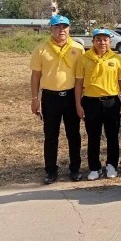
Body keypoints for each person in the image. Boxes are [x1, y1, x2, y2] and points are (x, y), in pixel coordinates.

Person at [30, 14, 85, 184]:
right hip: (50, 97)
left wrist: (80, 100)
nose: (61, 30)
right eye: (57, 27)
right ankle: (51, 170)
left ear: (69, 28)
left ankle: (75, 168)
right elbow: (35, 75)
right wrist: (34, 98)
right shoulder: (41, 49)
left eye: (64, 27)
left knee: (73, 134)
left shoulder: (78, 48)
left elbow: (82, 76)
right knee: (51, 135)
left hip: (71, 96)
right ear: (51, 29)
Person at [74, 28, 121, 180]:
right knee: (93, 136)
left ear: (110, 42)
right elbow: (78, 83)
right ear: (93, 41)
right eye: (98, 39)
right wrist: (78, 104)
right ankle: (94, 167)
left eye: (105, 40)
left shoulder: (116, 59)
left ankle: (112, 165)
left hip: (111, 102)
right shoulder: (84, 58)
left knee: (112, 136)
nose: (102, 42)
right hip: (91, 102)